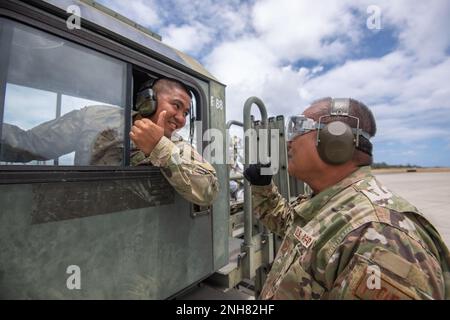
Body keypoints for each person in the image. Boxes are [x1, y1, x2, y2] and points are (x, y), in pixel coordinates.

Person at [244, 97, 450, 300]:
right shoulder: (331, 203)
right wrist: (262, 187)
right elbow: (289, 224)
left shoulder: (384, 238)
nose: (289, 141)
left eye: (299, 129)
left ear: (335, 141)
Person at [0, 77, 218, 206]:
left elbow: (208, 190)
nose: (181, 119)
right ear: (148, 99)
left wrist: (158, 146)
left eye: (186, 113)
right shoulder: (94, 118)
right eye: (176, 106)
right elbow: (29, 144)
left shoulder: (176, 146)